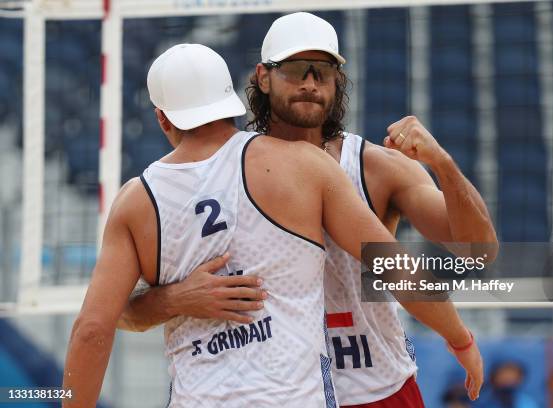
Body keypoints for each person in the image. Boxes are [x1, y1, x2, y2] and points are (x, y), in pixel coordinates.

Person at [119, 12, 497, 407]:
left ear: (338, 80)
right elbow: (123, 312)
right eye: (296, 69)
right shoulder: (217, 171)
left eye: (323, 70)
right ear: (263, 77)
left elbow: (478, 250)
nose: (310, 83)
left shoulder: (375, 166)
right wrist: (175, 299)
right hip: (275, 394)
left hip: (375, 386)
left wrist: (443, 164)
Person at [62, 43, 433, 408]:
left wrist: (171, 300)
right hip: (308, 394)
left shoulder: (136, 200)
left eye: (318, 73)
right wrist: (460, 339)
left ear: (162, 117)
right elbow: (402, 262)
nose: (310, 85)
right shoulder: (302, 164)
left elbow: (94, 328)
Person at [475, 361, 540, 408]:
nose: (508, 378)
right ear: (494, 377)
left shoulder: (527, 403)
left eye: (513, 375)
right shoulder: (483, 402)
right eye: (503, 374)